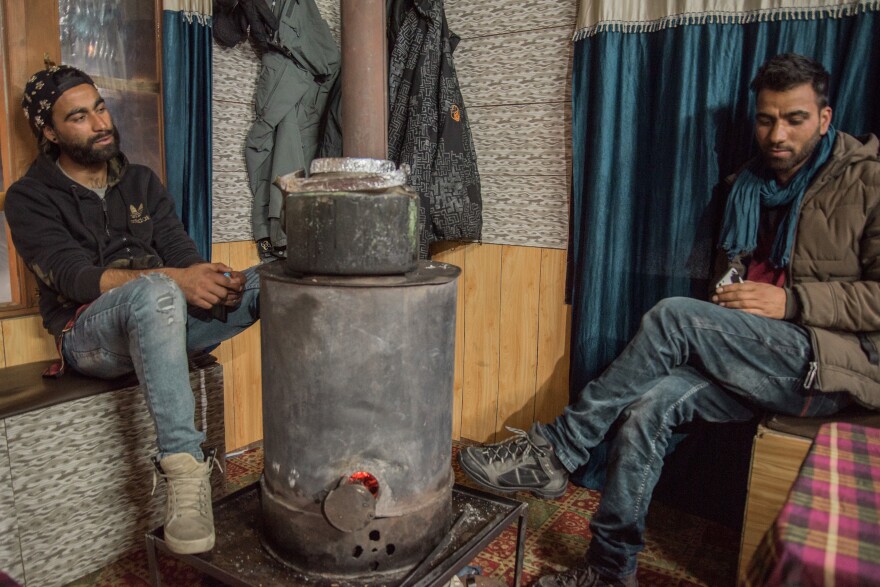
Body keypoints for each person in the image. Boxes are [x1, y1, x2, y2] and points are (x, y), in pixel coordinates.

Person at [458, 53, 880, 586]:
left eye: (794, 118)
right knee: (646, 411)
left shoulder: (867, 182)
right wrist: (729, 294)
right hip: (756, 353)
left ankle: (558, 449)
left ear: (824, 118)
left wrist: (791, 304)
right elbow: (735, 279)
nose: (777, 133)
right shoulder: (749, 186)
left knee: (673, 317)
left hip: (828, 365)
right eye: (766, 118)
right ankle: (610, 571)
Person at [4, 65, 261, 556]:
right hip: (88, 335)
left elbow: (180, 254)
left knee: (273, 278)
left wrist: (214, 281)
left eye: (99, 107)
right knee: (157, 290)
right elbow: (74, 277)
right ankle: (184, 473)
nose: (100, 122)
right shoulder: (29, 197)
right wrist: (175, 280)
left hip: (162, 317)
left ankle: (314, 438)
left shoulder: (140, 180)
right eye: (78, 116)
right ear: (50, 131)